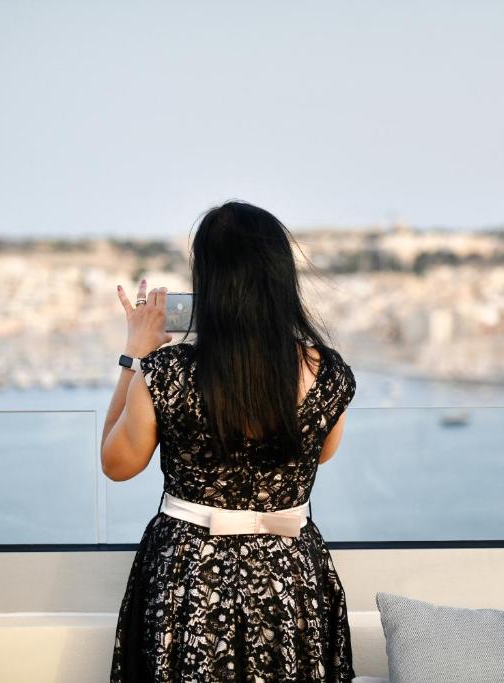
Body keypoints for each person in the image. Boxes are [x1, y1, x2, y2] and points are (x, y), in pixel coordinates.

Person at [101, 200, 358, 681]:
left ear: (209, 282)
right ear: (281, 280)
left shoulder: (167, 373)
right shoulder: (328, 373)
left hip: (188, 575)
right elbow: (323, 451)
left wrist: (134, 354)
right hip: (290, 578)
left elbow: (116, 463)